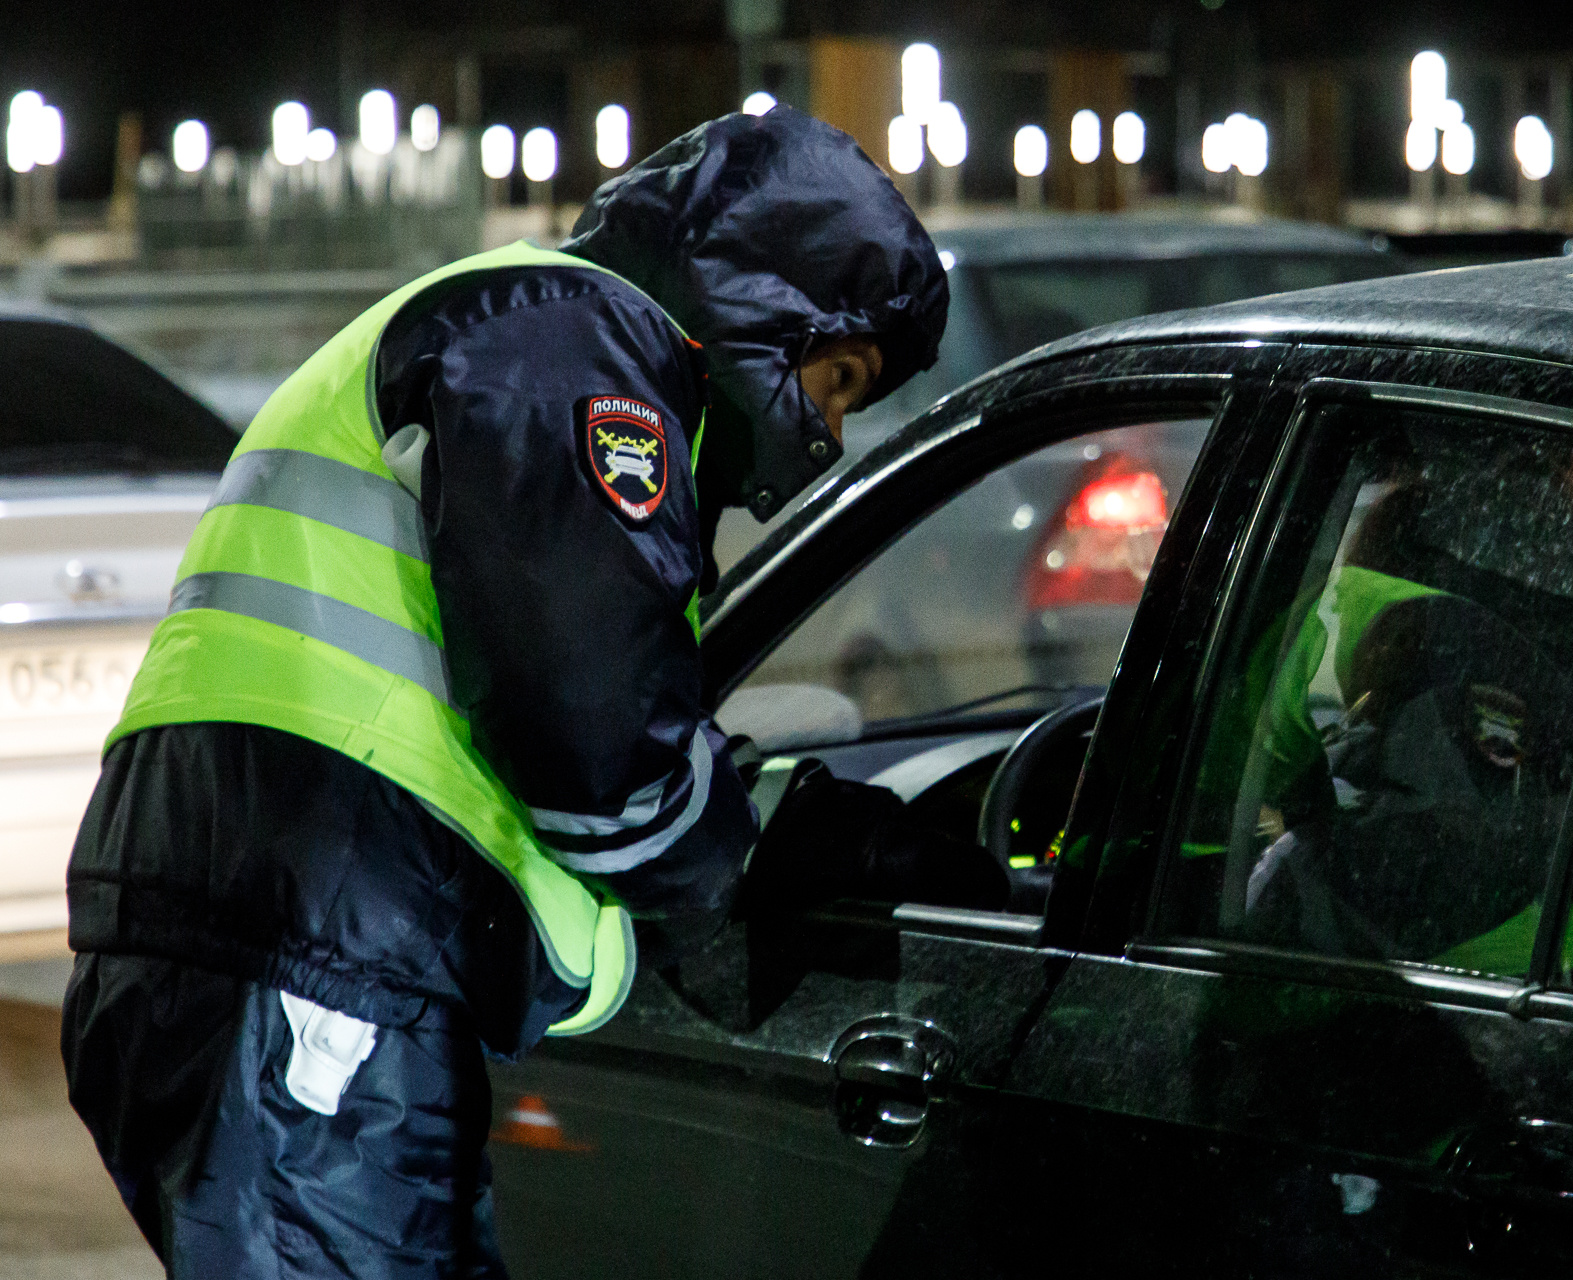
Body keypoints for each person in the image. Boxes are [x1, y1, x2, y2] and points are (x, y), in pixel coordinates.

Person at [61, 107, 952, 1278]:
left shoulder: (528, 326)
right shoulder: (577, 346)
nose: (827, 434)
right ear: (763, 301)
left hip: (275, 931)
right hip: (308, 957)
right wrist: (758, 861)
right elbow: (597, 735)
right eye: (836, 381)